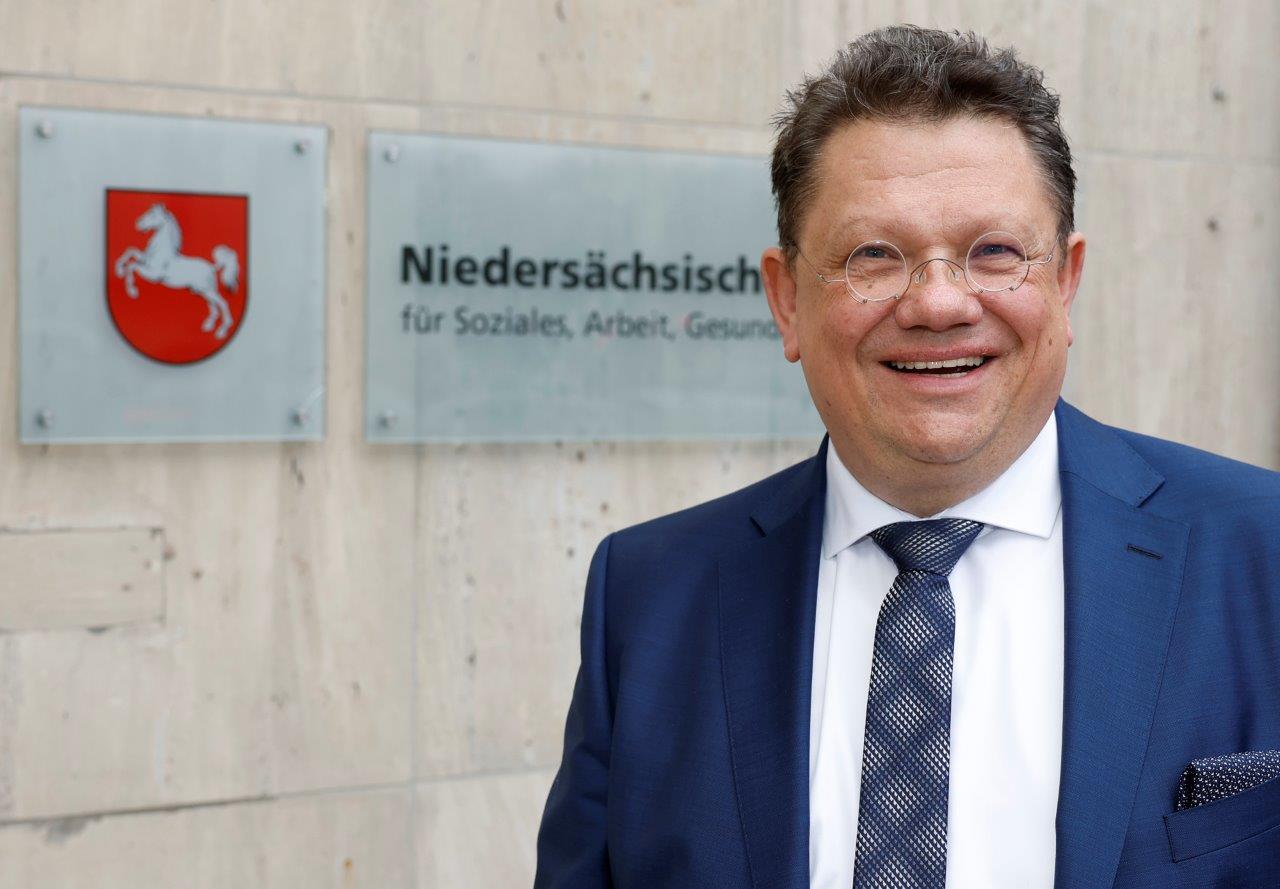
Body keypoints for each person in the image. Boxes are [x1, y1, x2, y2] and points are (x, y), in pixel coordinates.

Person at [534, 25, 1280, 889]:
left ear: (1065, 282)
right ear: (786, 299)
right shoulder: (650, 597)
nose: (938, 303)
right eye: (874, 257)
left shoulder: (1259, 553)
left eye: (994, 252)